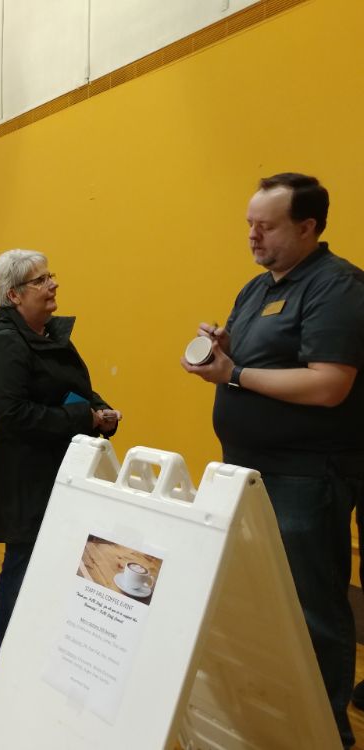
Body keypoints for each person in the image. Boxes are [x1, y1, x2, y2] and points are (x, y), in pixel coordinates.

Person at [181, 173, 364, 748]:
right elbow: (261, 360)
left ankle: (328, 731)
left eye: (267, 225)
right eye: (249, 223)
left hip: (304, 477)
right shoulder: (257, 288)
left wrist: (232, 374)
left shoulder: (337, 288)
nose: (253, 235)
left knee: (312, 607)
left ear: (308, 227)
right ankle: (276, 717)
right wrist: (226, 349)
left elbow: (328, 385)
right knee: (260, 602)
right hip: (246, 469)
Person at [0, 249, 121, 670]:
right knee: (22, 564)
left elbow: (71, 387)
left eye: (49, 276)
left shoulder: (48, 334)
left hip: (63, 468)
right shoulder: (4, 344)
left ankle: (46, 648)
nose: (53, 284)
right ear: (14, 296)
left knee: (61, 560)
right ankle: (3, 659)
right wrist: (82, 416)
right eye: (41, 280)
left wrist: (101, 412)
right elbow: (13, 415)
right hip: (27, 476)